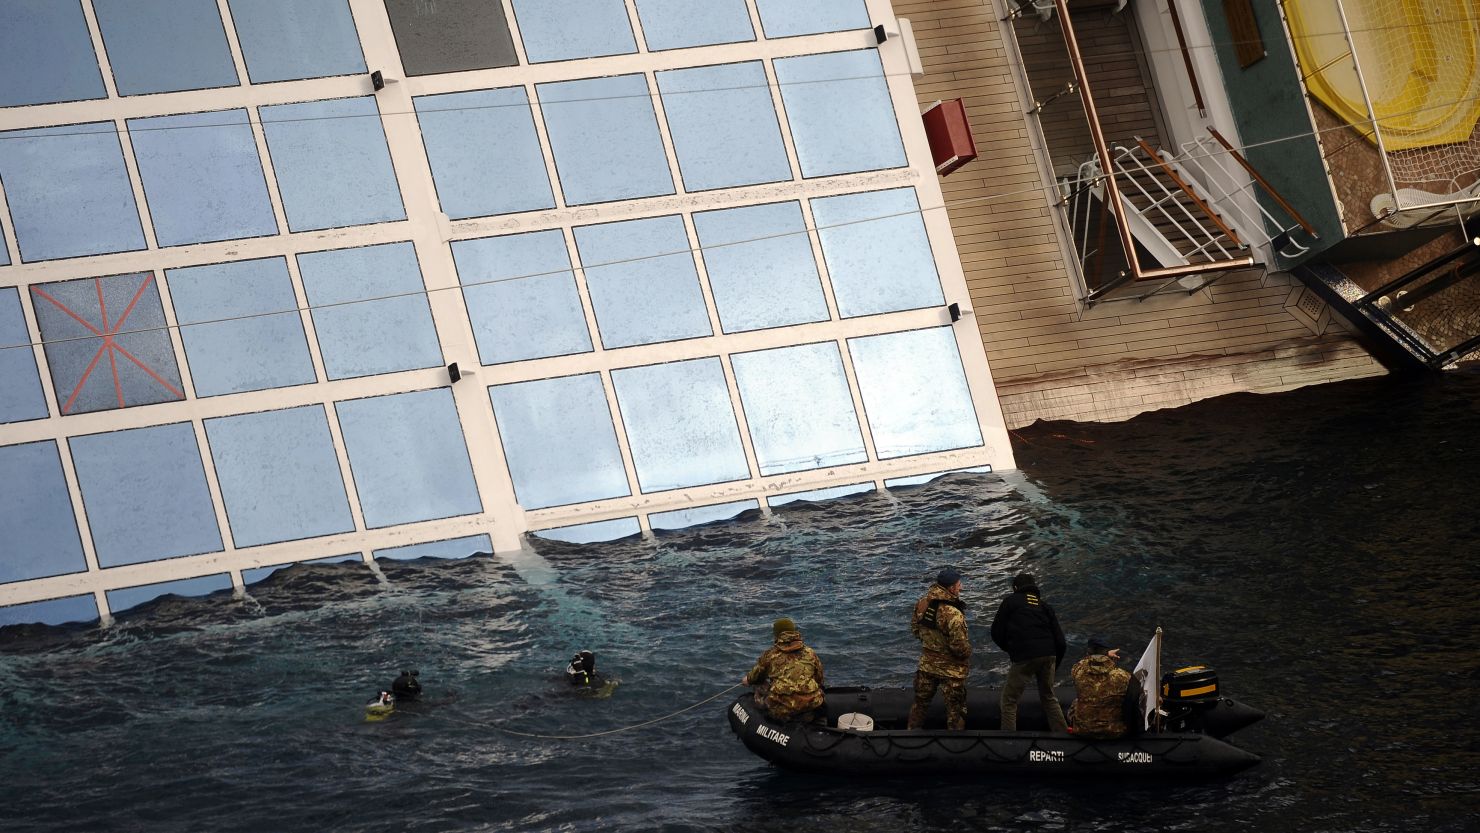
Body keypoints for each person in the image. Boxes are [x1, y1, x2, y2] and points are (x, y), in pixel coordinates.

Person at [990, 572, 1069, 733]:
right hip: (1049, 655)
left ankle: (1008, 743)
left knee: (1009, 700)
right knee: (1049, 697)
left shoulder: (1010, 602)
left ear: (1015, 588)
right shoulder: (1045, 606)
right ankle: (1063, 737)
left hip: (1025, 656)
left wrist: (1012, 649)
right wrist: (1054, 663)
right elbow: (1061, 641)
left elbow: (996, 632)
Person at [908, 568, 972, 730]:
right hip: (952, 670)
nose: (961, 588)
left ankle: (909, 737)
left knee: (920, 705)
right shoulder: (954, 614)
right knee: (955, 710)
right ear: (951, 588)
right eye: (958, 585)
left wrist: (932, 643)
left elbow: (916, 630)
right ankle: (955, 745)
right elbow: (959, 648)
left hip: (927, 665)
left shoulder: (922, 604)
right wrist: (967, 654)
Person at [742, 618, 826, 724]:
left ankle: (766, 719)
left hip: (782, 710)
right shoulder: (810, 653)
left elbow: (754, 677)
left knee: (759, 684)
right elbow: (819, 679)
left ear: (776, 635)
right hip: (810, 705)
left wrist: (746, 680)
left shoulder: (770, 655)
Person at [1068, 636, 1132, 739]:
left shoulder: (1077, 671)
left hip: (1082, 730)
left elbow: (1084, 662)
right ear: (1106, 653)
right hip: (1113, 731)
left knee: (1075, 703)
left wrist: (1101, 655)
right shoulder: (1123, 676)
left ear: (1088, 653)